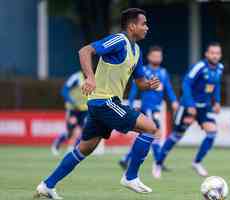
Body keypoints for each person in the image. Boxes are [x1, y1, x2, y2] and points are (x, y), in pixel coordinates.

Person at [35, 8, 161, 199]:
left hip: (102, 104)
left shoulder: (136, 51)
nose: (147, 27)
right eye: (143, 24)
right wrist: (90, 78)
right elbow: (85, 51)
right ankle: (131, 176)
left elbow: (140, 83)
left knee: (84, 149)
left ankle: (47, 185)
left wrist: (149, 85)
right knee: (150, 128)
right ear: (132, 26)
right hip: (104, 101)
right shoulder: (119, 40)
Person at [153, 42, 224, 179]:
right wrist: (190, 104)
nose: (215, 56)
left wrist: (217, 102)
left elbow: (215, 86)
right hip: (187, 106)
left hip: (204, 107)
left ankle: (197, 162)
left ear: (220, 55)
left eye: (217, 53)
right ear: (207, 54)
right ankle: (158, 163)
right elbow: (186, 83)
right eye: (212, 53)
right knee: (176, 136)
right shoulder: (200, 66)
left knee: (212, 132)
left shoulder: (220, 68)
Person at [118, 46, 178, 178]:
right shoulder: (143, 70)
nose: (157, 58)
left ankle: (126, 158)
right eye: (154, 56)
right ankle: (158, 162)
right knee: (156, 133)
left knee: (145, 136)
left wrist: (173, 101)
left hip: (158, 108)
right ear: (149, 57)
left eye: (159, 56)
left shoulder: (163, 72)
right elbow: (134, 90)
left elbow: (168, 88)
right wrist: (131, 105)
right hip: (148, 108)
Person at [51, 71, 87, 156]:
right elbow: (64, 91)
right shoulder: (76, 77)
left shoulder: (95, 77)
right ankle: (57, 143)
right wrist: (72, 101)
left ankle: (72, 150)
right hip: (73, 109)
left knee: (82, 131)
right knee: (71, 132)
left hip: (85, 109)